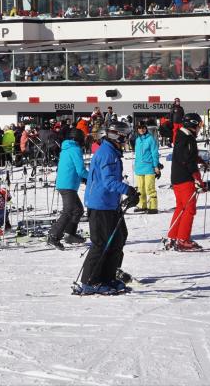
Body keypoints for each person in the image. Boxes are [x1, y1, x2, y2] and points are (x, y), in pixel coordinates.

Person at [76, 120, 138, 295]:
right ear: (115, 135)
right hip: (100, 204)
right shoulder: (107, 153)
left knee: (117, 240)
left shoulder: (112, 152)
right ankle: (90, 281)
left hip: (110, 203)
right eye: (124, 137)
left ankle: (107, 277)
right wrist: (128, 190)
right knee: (101, 243)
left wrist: (127, 193)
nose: (126, 141)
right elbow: (108, 181)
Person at [166, 113, 206, 250]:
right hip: (184, 178)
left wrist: (200, 160)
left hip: (177, 177)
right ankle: (183, 240)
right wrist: (198, 178)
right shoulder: (188, 138)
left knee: (181, 207)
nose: (199, 128)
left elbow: (187, 155)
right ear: (193, 124)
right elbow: (187, 159)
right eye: (199, 125)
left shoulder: (181, 136)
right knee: (189, 209)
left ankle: (173, 236)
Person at [47, 129, 88, 249]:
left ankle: (70, 234)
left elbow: (71, 168)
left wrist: (84, 178)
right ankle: (53, 236)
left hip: (66, 183)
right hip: (67, 185)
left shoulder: (66, 149)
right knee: (69, 210)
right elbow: (80, 170)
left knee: (78, 210)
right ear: (78, 139)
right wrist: (93, 177)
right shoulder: (75, 149)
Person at [132, 123, 160, 214]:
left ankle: (153, 207)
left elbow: (154, 153)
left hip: (149, 167)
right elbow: (137, 155)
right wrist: (135, 165)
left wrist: (156, 166)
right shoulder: (137, 140)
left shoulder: (150, 139)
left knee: (149, 188)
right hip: (139, 168)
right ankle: (142, 205)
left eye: (143, 128)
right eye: (139, 128)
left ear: (146, 129)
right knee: (140, 188)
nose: (141, 130)